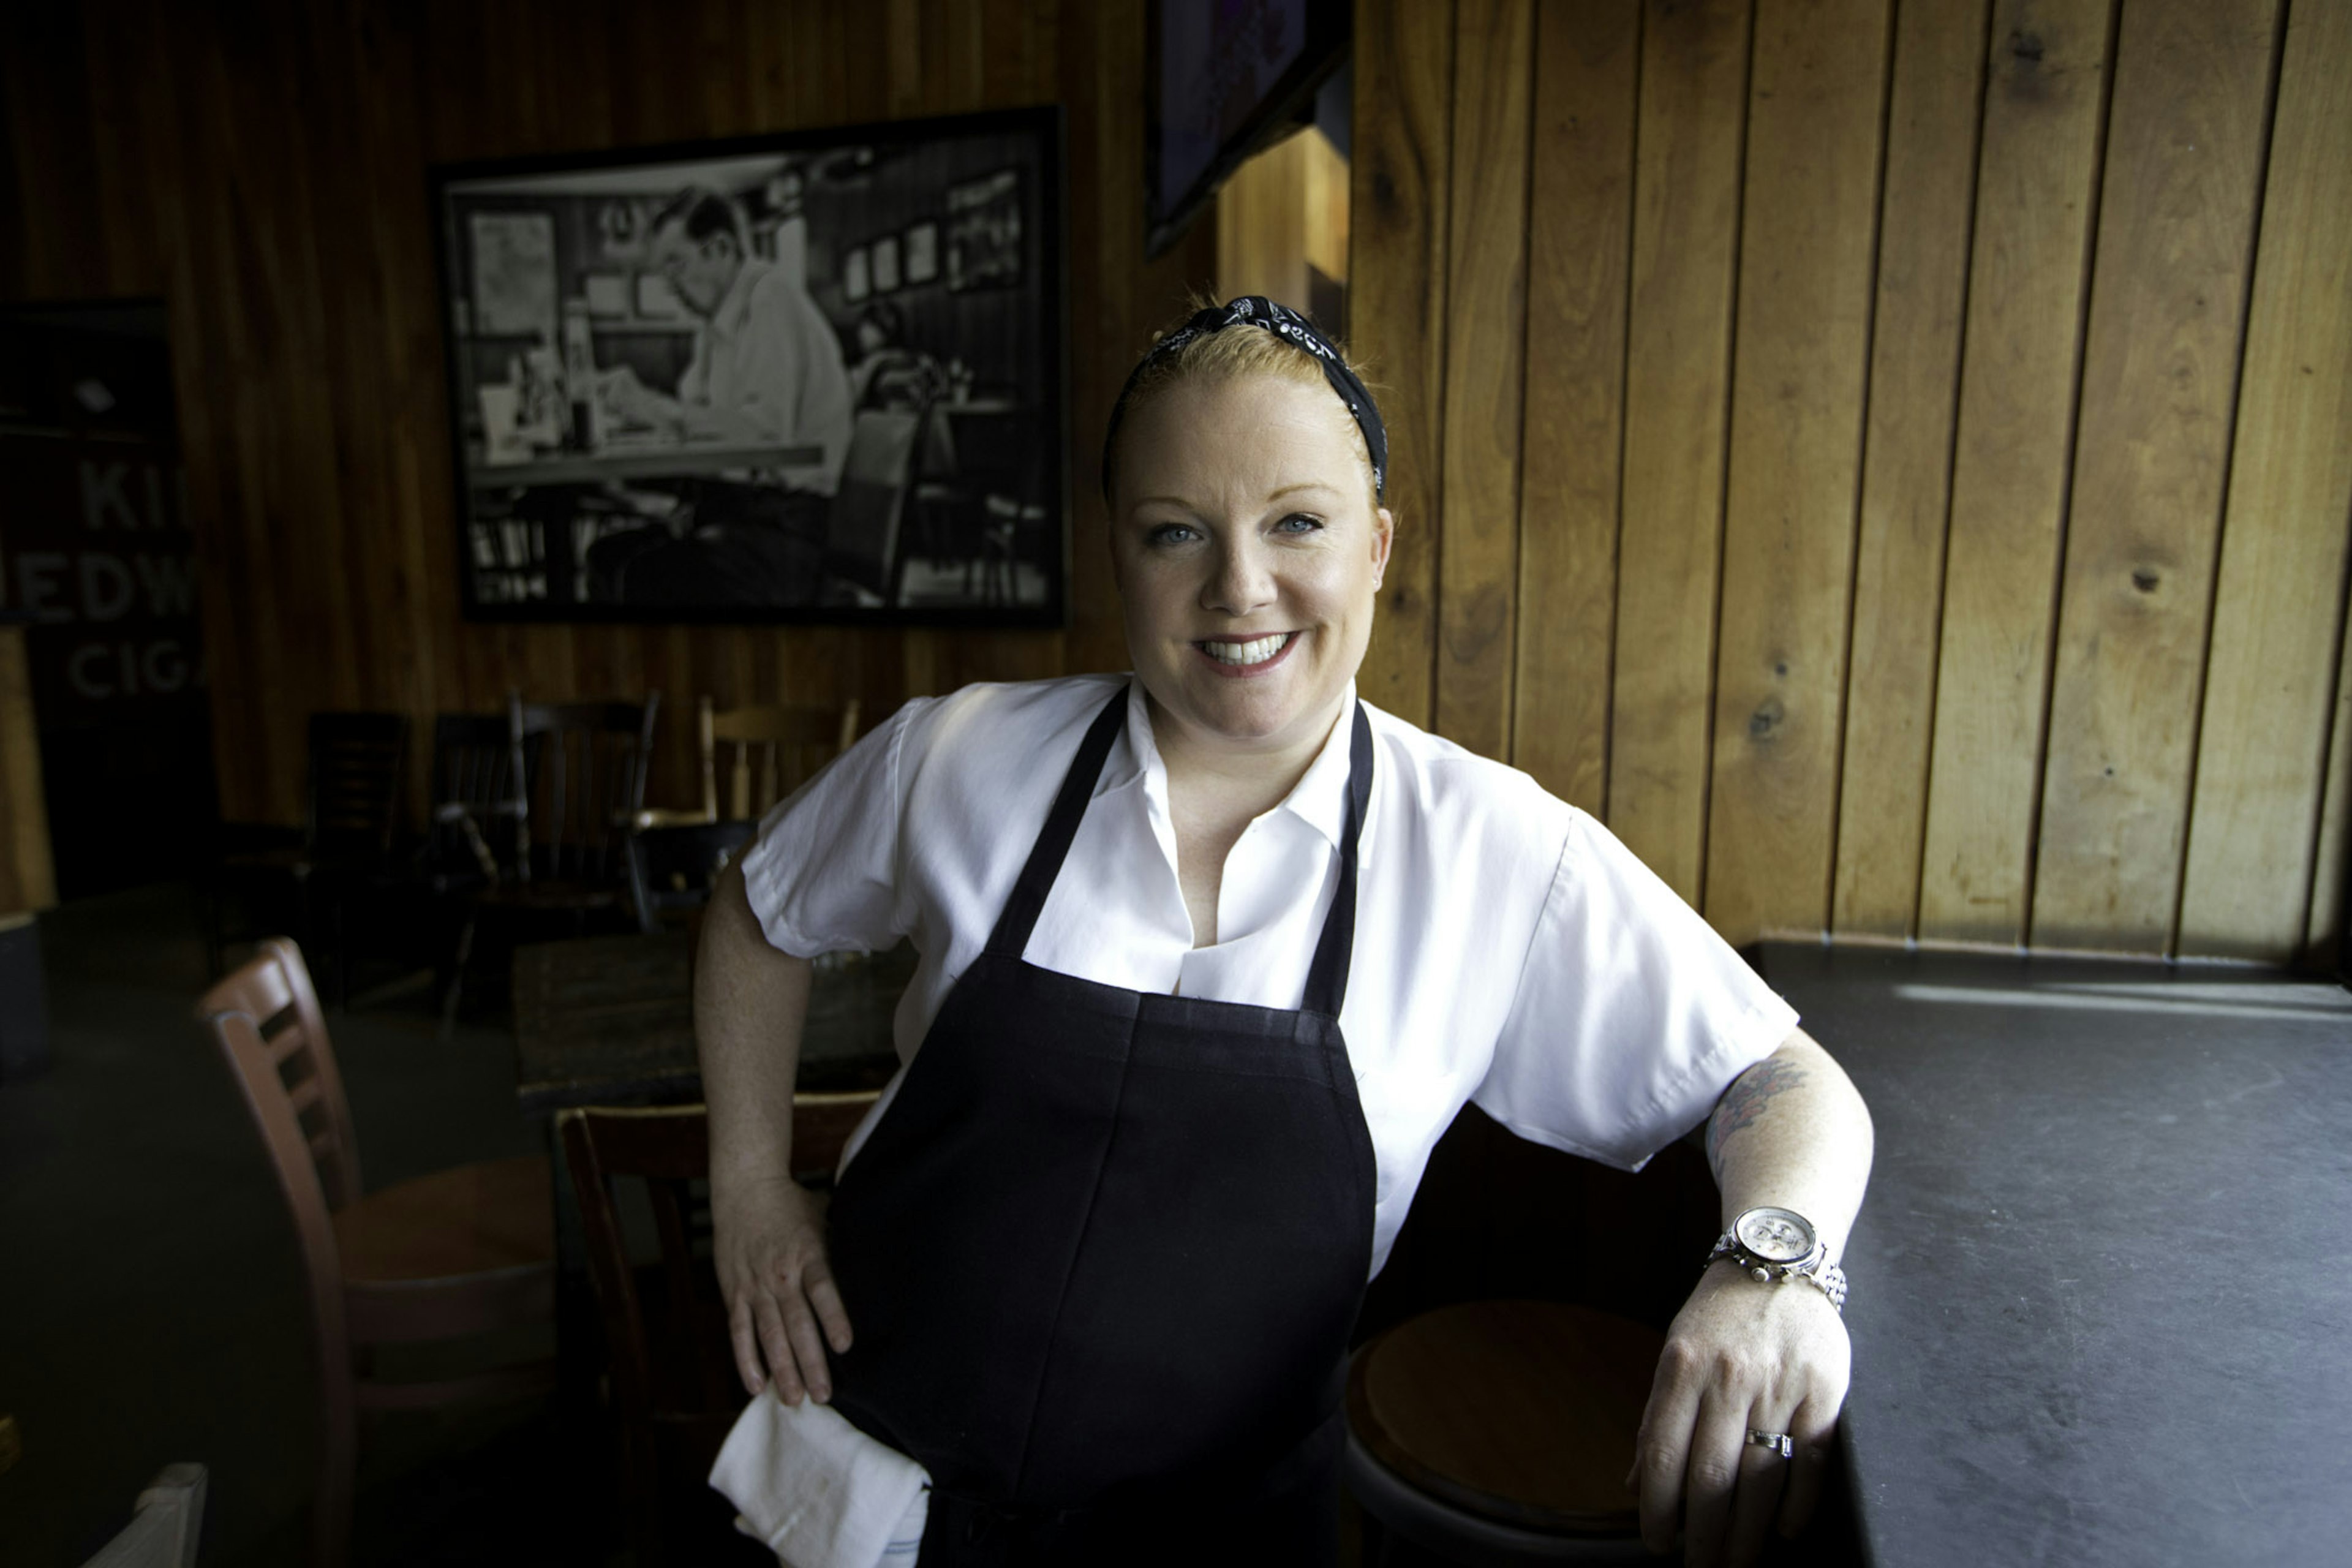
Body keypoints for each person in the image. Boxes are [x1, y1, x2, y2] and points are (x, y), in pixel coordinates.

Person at [695, 296, 1873, 1567]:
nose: (1238, 587)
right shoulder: (962, 754)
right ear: (1119, 553)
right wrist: (752, 1184)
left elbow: (1785, 1076)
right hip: (853, 1504)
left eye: (1295, 522)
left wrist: (1772, 1269)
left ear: (1375, 544)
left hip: (1224, 1541)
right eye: (1175, 532)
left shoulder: (1491, 851)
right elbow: (755, 915)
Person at [602, 185, 853, 494]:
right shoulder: (717, 319)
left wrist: (654, 409)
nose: (669, 287)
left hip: (796, 507)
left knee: (622, 541)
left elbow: (764, 438)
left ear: (721, 248)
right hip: (757, 498)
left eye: (676, 264)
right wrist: (646, 408)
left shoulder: (768, 299)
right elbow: (698, 413)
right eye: (663, 272)